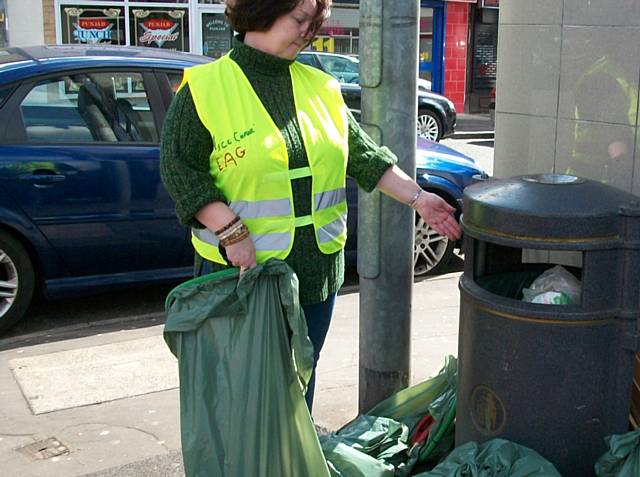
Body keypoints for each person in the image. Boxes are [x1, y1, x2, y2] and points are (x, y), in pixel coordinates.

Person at [160, 0, 461, 411]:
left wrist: (419, 198)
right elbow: (181, 170)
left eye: (314, 22)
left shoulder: (322, 87)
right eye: (300, 20)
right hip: (243, 277)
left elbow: (365, 157)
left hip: (316, 274)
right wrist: (230, 231)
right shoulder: (205, 88)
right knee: (245, 388)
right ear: (261, 11)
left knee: (300, 379)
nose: (309, 32)